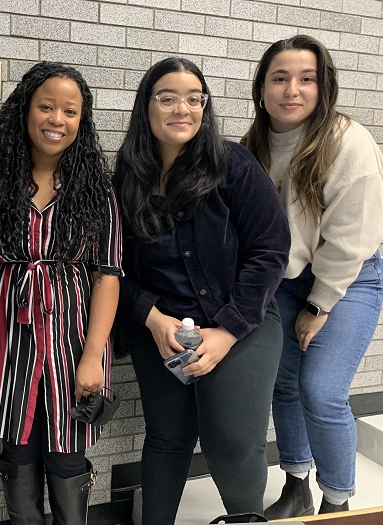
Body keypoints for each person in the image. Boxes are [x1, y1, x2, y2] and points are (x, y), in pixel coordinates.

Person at [114, 57, 290, 525]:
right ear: (146, 107)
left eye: (195, 99)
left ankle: (247, 519)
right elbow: (112, 267)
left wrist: (227, 332)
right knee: (168, 436)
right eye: (168, 97)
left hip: (242, 320)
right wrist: (150, 317)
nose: (183, 109)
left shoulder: (232, 165)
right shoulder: (127, 177)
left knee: (231, 439)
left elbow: (270, 251)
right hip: (162, 326)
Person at [0, 61, 122, 524]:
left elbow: (108, 273)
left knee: (68, 447)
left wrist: (93, 355)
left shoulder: (96, 188)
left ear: (81, 121)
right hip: (5, 335)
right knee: (18, 444)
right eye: (46, 106)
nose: (57, 119)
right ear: (24, 111)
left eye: (70, 111)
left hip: (74, 338)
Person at [242, 35, 383, 518]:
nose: (292, 89)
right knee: (283, 386)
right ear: (262, 87)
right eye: (279, 78)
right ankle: (296, 484)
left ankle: (338, 502)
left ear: (325, 88)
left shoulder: (348, 140)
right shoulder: (254, 143)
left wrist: (319, 304)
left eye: (307, 79)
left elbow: (351, 238)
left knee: (320, 391)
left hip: (349, 278)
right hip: (284, 280)